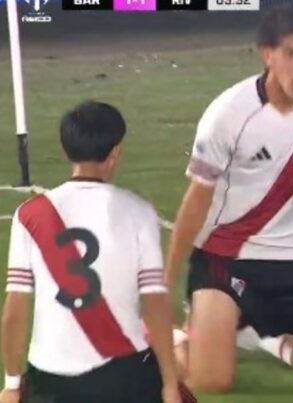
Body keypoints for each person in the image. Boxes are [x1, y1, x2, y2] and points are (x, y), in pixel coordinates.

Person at [165, 2, 293, 392]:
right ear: (267, 53)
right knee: (211, 381)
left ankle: (258, 336)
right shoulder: (228, 114)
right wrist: (167, 281)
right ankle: (171, 340)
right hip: (224, 257)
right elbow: (196, 201)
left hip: (288, 257)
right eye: (291, 54)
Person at [0, 101, 193, 403]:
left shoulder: (29, 215)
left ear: (66, 151)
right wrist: (169, 384)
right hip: (124, 379)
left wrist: (12, 385)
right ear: (115, 152)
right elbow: (155, 303)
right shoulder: (138, 213)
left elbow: (15, 309)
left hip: (50, 383)